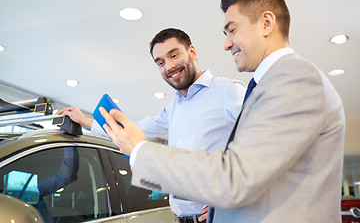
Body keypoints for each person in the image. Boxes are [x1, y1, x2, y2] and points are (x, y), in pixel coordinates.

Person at [98, 0, 346, 223]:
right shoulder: (268, 85)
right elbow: (255, 173)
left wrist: (140, 151)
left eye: (232, 30)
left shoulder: (294, 78)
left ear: (266, 23)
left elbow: (236, 179)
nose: (226, 44)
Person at [58, 28, 246, 222]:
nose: (169, 66)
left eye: (174, 55)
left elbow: (264, 152)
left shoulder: (228, 91)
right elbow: (130, 132)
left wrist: (237, 202)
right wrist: (85, 121)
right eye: (161, 62)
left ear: (192, 51)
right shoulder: (174, 108)